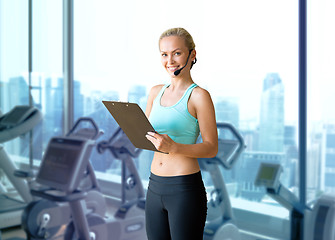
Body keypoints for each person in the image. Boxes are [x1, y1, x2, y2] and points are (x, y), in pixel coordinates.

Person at [144, 27, 218, 240]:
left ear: (192, 55)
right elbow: (147, 135)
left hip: (183, 190)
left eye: (177, 53)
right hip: (154, 186)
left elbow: (211, 147)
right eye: (164, 54)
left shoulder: (199, 96)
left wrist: (174, 147)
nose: (170, 60)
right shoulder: (155, 92)